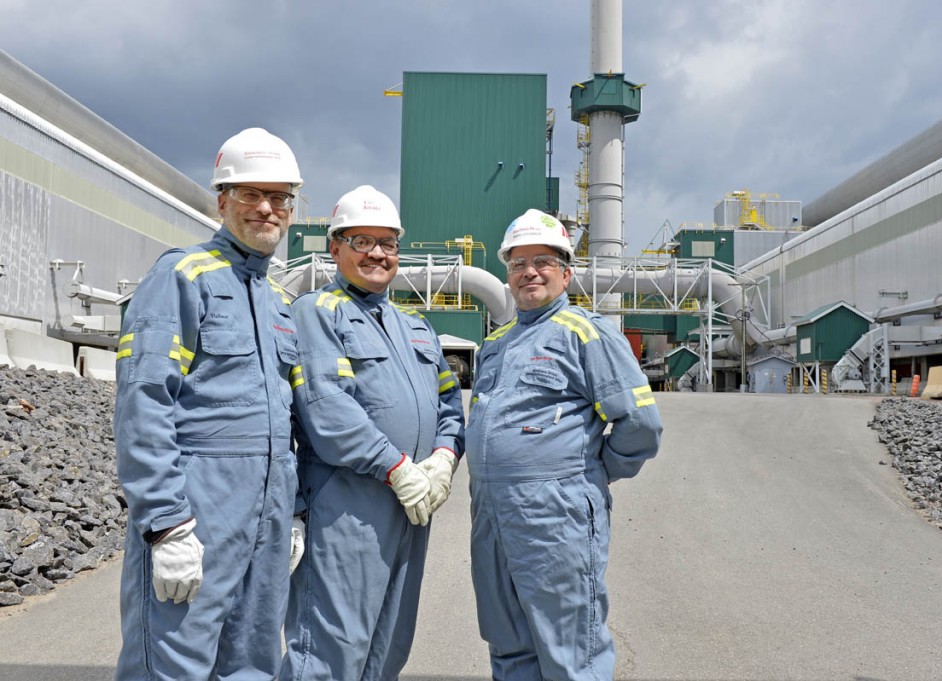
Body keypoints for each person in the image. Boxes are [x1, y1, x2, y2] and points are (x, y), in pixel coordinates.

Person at [114, 127, 305, 680]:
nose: (267, 209)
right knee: (173, 666)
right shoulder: (182, 276)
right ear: (222, 200)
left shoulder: (278, 301)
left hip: (266, 522)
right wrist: (167, 524)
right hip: (198, 515)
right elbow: (144, 399)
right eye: (251, 195)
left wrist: (291, 512)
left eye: (279, 198)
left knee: (253, 665)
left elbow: (285, 420)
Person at [465, 208, 663, 680]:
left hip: (555, 512)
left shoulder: (587, 334)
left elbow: (641, 424)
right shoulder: (497, 343)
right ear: (507, 273)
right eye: (518, 263)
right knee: (507, 638)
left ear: (566, 272)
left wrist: (587, 471)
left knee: (571, 646)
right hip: (491, 511)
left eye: (543, 262)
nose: (529, 272)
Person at [281, 184, 465, 681]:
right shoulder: (318, 314)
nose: (377, 253)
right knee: (328, 647)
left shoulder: (417, 326)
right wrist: (397, 467)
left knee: (390, 643)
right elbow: (327, 409)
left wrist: (444, 458)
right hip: (348, 505)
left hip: (412, 504)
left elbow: (450, 402)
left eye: (388, 243)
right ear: (335, 247)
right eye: (362, 241)